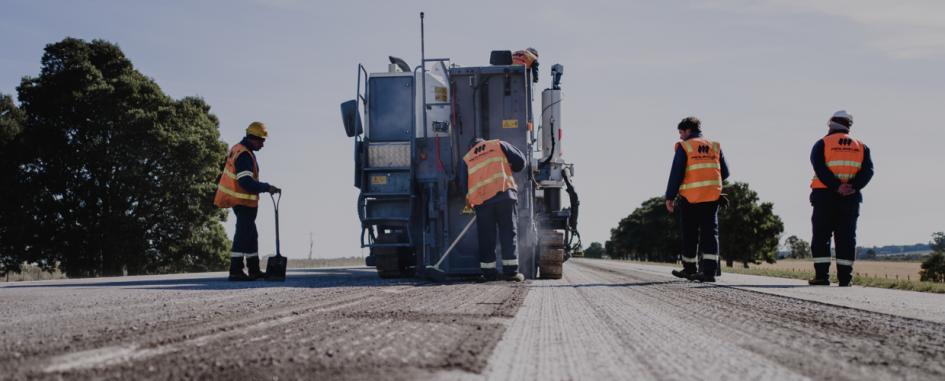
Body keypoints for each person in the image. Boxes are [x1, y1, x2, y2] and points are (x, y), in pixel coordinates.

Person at [808, 110, 873, 286]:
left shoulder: (822, 143)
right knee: (846, 237)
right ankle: (845, 279)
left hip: (824, 197)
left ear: (831, 125)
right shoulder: (861, 146)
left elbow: (820, 168)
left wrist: (837, 186)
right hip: (850, 199)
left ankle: (822, 277)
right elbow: (868, 171)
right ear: (848, 126)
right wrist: (852, 186)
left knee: (821, 236)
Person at [214, 121, 281, 281]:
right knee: (243, 234)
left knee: (251, 235)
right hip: (242, 202)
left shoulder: (240, 150)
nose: (263, 144)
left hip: (244, 202)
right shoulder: (244, 154)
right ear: (253, 138)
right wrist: (267, 187)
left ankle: (254, 269)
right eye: (262, 140)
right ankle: (235, 270)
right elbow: (245, 182)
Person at [665, 117, 729, 282]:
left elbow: (676, 174)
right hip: (712, 196)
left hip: (690, 197)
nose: (680, 136)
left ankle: (690, 268)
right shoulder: (714, 146)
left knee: (690, 233)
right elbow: (726, 172)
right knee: (710, 233)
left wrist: (670, 197)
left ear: (688, 131)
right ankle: (708, 272)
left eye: (681, 132)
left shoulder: (685, 147)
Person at [459, 138, 527, 282]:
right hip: (504, 195)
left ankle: (489, 274)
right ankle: (511, 273)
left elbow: (463, 185)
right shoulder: (497, 144)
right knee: (508, 234)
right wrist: (510, 166)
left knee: (486, 238)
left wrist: (471, 203)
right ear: (483, 142)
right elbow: (521, 161)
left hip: (482, 202)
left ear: (471, 147)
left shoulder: (467, 158)